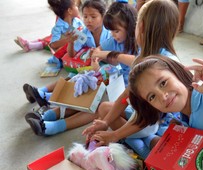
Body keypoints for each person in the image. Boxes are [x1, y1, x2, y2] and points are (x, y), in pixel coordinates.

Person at [24, 0, 138, 137]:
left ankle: (53, 122)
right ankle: (47, 115)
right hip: (109, 78)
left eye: (116, 30)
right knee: (83, 88)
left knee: (95, 104)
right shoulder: (110, 38)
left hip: (124, 88)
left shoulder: (137, 42)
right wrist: (96, 57)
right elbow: (97, 50)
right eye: (85, 16)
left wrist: (108, 55)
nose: (113, 34)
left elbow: (139, 61)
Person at [82, 0, 180, 159]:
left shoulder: (154, 64)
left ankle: (147, 150)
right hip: (147, 115)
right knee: (105, 108)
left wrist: (114, 135)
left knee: (133, 128)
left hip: (156, 122)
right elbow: (128, 94)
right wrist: (106, 122)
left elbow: (146, 117)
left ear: (140, 28)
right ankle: (149, 141)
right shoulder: (148, 54)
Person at [23, 0, 109, 108]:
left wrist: (98, 54)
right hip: (89, 66)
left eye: (93, 17)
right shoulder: (84, 32)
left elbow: (115, 54)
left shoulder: (109, 32)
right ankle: (40, 92)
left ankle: (47, 96)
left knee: (81, 78)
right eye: (85, 16)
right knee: (73, 74)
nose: (88, 21)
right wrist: (71, 42)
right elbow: (72, 55)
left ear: (103, 17)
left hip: (106, 67)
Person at [15, 0, 83, 53]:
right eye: (76, 6)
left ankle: (30, 44)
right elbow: (53, 44)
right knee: (52, 38)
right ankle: (30, 45)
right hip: (68, 48)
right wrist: (69, 40)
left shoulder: (76, 20)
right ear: (70, 11)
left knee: (51, 37)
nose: (78, 7)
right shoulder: (59, 26)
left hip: (79, 44)